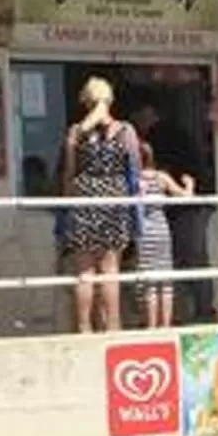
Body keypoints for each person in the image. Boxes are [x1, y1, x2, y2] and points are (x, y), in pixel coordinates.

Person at [56, 75, 142, 334]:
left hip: (84, 198)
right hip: (114, 198)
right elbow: (134, 168)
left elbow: (69, 172)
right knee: (110, 268)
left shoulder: (75, 132)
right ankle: (113, 325)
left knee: (84, 270)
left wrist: (67, 202)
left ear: (86, 101)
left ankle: (84, 327)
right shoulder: (125, 130)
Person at [133, 140, 193, 329]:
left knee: (149, 281)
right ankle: (166, 324)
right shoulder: (162, 178)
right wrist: (190, 184)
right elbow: (185, 197)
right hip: (161, 230)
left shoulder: (134, 180)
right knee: (165, 278)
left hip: (143, 232)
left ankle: (151, 325)